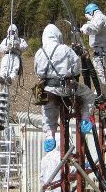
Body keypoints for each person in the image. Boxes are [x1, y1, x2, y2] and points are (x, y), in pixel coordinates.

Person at [34, 24, 96, 152]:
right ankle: (85, 119)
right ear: (58, 35)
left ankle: (49, 136)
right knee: (88, 95)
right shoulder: (65, 49)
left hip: (48, 90)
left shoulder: (40, 52)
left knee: (47, 109)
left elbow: (38, 72)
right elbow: (76, 68)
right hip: (66, 88)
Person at [79, 3, 106, 99]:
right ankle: (102, 93)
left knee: (101, 75)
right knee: (101, 75)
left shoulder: (99, 17)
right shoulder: (101, 18)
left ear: (91, 12)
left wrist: (84, 28)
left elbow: (94, 28)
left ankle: (103, 95)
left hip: (102, 53)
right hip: (102, 51)